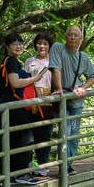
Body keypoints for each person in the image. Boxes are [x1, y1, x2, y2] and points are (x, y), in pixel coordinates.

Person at [48, 25, 94, 174]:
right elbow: (55, 68)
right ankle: (64, 166)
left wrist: (83, 87)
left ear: (81, 40)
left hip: (76, 100)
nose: (73, 38)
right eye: (70, 35)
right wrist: (59, 88)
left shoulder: (83, 57)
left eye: (76, 36)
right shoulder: (57, 48)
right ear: (65, 36)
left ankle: (68, 163)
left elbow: (93, 76)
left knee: (73, 135)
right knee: (65, 131)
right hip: (61, 97)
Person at [0, 33, 43, 185]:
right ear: (7, 46)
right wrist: (34, 79)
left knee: (11, 140)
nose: (18, 46)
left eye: (20, 43)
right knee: (25, 137)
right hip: (11, 106)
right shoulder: (11, 62)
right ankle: (20, 174)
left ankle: (9, 176)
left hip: (6, 106)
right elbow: (15, 83)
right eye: (14, 44)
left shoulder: (9, 61)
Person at [22, 30, 56, 176]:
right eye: (39, 43)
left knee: (45, 134)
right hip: (31, 101)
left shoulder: (54, 62)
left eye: (45, 44)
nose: (42, 46)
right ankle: (29, 164)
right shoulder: (30, 62)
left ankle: (43, 164)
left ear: (50, 46)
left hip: (48, 101)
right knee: (30, 135)